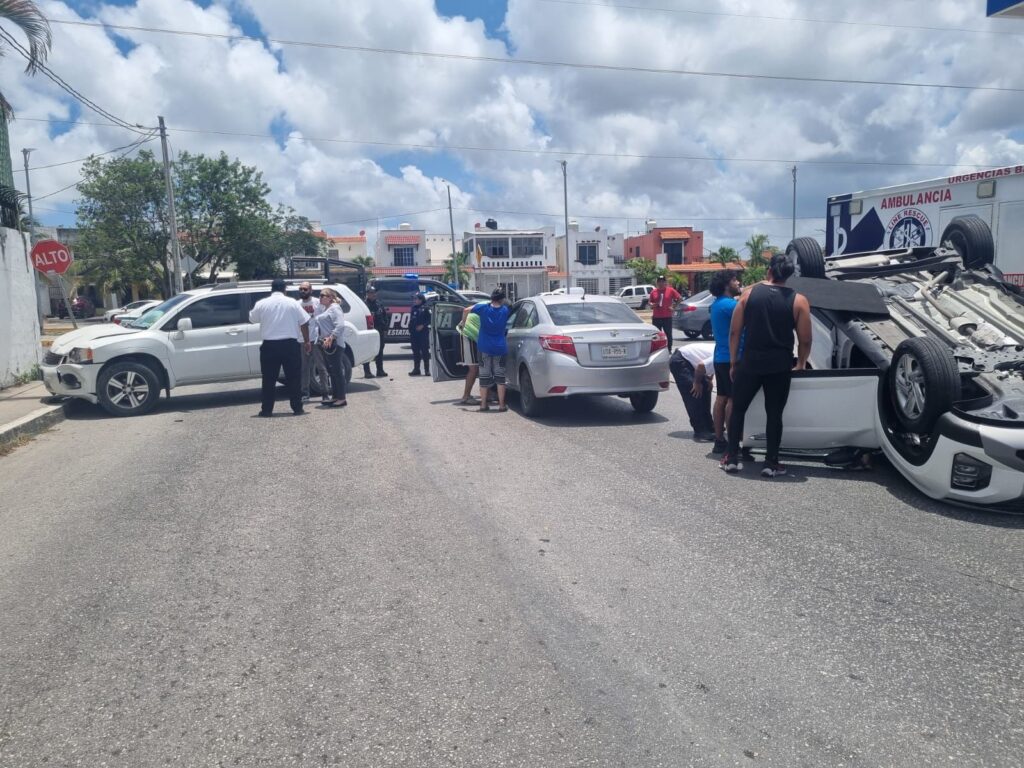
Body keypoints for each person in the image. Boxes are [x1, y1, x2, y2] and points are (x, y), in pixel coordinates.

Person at [721, 253, 812, 477]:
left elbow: (734, 331)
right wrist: (800, 363)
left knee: (738, 409)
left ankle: (732, 457)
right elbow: (806, 338)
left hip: (750, 363)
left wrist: (734, 361)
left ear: (769, 271)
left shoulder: (749, 295)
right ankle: (771, 462)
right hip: (779, 366)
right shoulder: (799, 300)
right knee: (774, 414)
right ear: (789, 275)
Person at [249, 277, 312, 417]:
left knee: (268, 379)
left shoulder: (262, 303)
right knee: (294, 378)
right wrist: (307, 341)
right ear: (285, 289)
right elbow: (304, 322)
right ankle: (297, 408)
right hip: (290, 345)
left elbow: (252, 319)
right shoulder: (293, 303)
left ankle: (266, 410)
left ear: (271, 289)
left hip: (269, 345)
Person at [708, 270, 743, 454]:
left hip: (720, 356)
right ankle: (732, 442)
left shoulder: (716, 305)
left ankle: (719, 440)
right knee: (732, 400)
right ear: (726, 284)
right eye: (735, 280)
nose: (738, 283)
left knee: (721, 398)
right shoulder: (731, 306)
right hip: (733, 358)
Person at [461, 288, 510, 412]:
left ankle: (483, 405)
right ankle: (501, 405)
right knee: (500, 378)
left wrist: (463, 323)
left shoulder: (483, 309)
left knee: (484, 377)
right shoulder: (505, 310)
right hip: (500, 348)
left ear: (492, 298)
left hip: (484, 348)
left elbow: (466, 310)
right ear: (502, 299)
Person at [669, 341, 716, 442]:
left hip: (693, 363)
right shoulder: (721, 355)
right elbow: (701, 366)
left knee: (706, 388)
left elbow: (711, 367)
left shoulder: (725, 353)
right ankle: (700, 430)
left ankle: (709, 425)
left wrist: (709, 379)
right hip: (681, 361)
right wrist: (697, 383)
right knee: (694, 392)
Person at [315, 287, 349, 408]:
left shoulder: (335, 308)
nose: (320, 297)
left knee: (337, 371)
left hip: (335, 344)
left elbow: (340, 326)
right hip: (326, 344)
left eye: (322, 295)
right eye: (319, 295)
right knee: (332, 371)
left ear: (330, 298)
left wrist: (331, 337)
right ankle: (335, 396)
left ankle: (341, 398)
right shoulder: (326, 308)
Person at [297, 282, 330, 403]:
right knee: (304, 368)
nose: (302, 291)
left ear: (311, 290)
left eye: (305, 289)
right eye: (300, 289)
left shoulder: (317, 302)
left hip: (316, 339)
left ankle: (325, 393)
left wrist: (323, 336)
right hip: (302, 340)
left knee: (321, 367)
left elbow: (324, 319)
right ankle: (305, 393)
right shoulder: (297, 304)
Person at [649, 275, 683, 352]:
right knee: (656, 335)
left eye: (663, 281)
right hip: (656, 317)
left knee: (668, 334)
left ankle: (669, 349)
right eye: (659, 281)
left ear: (665, 282)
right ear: (657, 283)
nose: (661, 283)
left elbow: (679, 298)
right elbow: (650, 302)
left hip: (667, 317)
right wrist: (652, 305)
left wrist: (674, 307)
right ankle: (656, 349)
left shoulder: (670, 290)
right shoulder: (653, 292)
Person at [457, 310, 481, 406]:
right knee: (474, 368)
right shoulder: (491, 309)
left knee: (478, 367)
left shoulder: (489, 307)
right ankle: (466, 396)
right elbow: (465, 310)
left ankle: (487, 393)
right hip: (469, 335)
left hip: (470, 334)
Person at [363, 285, 388, 378]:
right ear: (367, 294)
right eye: (371, 293)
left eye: (374, 293)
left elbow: (385, 316)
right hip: (370, 331)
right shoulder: (364, 305)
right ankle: (367, 372)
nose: (373, 294)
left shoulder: (379, 304)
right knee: (368, 351)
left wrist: (385, 328)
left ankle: (380, 370)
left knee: (380, 350)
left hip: (380, 331)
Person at [408, 293, 431, 376]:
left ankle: (427, 370)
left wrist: (423, 326)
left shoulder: (426, 308)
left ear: (421, 300)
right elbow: (411, 320)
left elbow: (430, 320)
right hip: (414, 334)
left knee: (425, 352)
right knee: (415, 352)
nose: (415, 300)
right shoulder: (413, 308)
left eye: (416, 299)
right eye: (414, 299)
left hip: (423, 333)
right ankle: (416, 369)